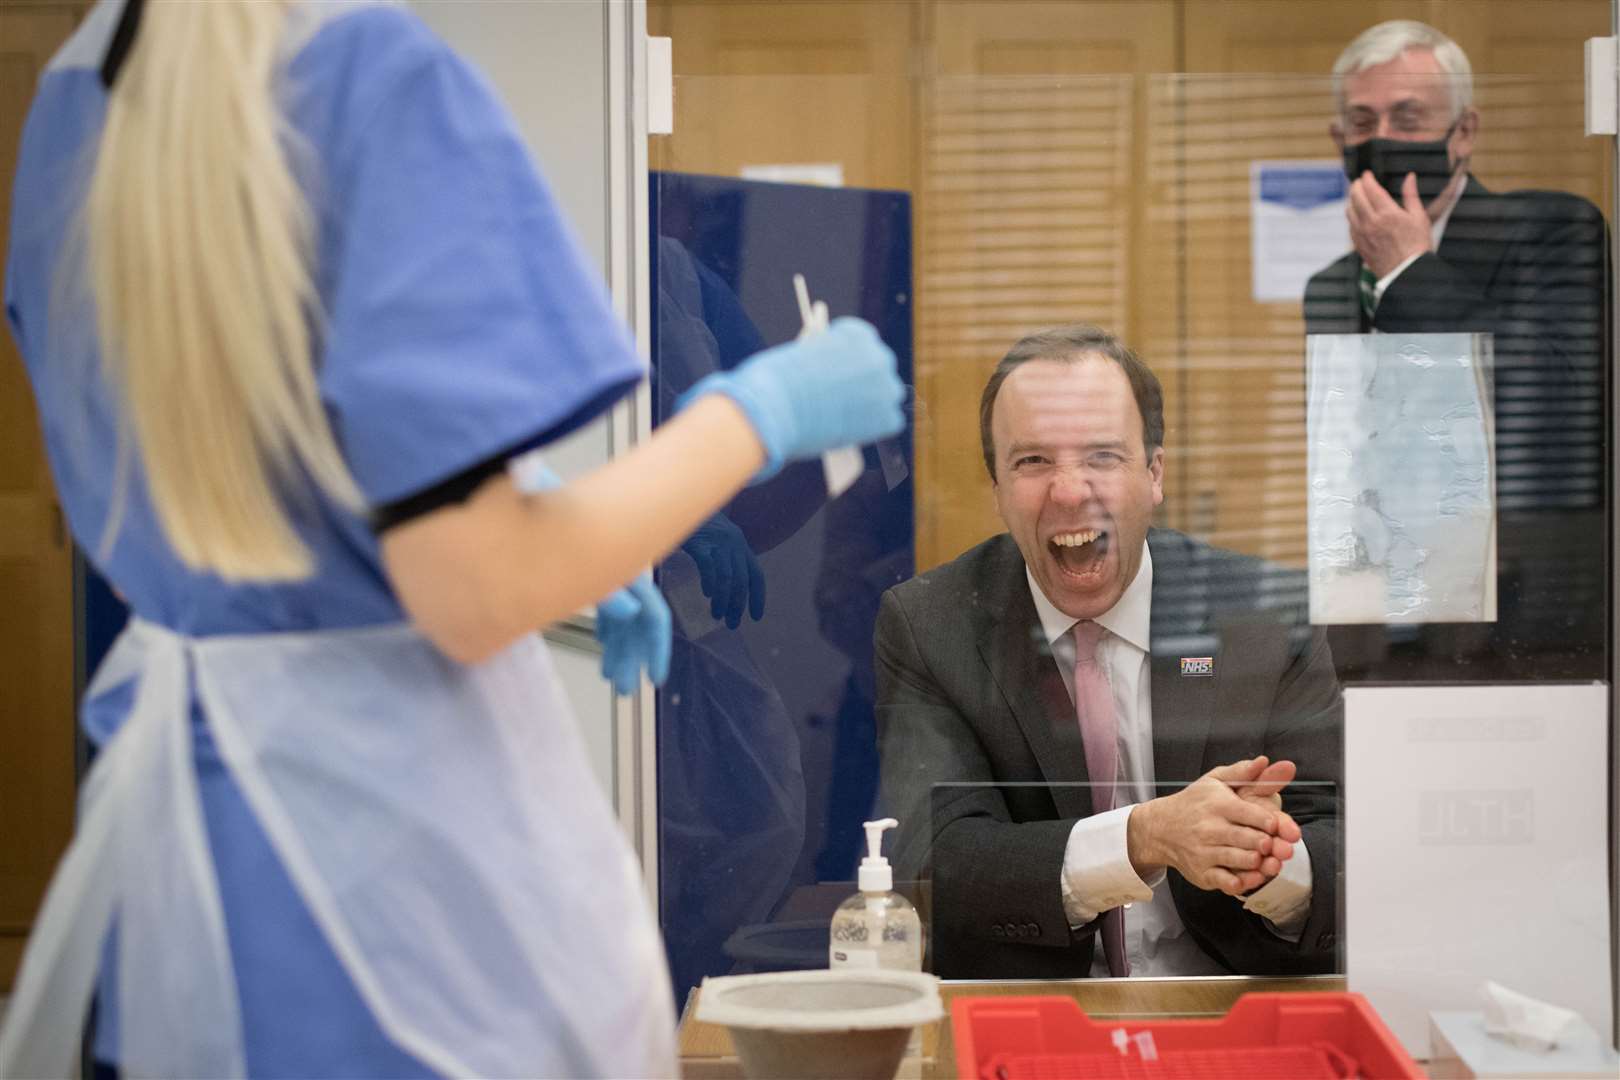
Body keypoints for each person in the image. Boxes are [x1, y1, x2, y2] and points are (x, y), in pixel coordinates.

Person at [0, 1, 904, 1077]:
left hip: (195, 836)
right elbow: (476, 589)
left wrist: (511, 498)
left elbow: (244, 449)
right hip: (387, 879)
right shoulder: (367, 73)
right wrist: (759, 413)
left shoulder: (77, 89)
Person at [874, 326, 1341, 980]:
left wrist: (1263, 860)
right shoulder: (932, 626)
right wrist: (1144, 837)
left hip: (1227, 1008)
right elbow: (935, 867)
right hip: (1036, 1021)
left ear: (1154, 474)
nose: (1070, 492)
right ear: (997, 492)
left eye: (1101, 456)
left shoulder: (1269, 616)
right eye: (1032, 461)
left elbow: (1349, 851)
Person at [1303, 19, 1609, 681]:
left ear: (1463, 132)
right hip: (1385, 615)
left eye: (1408, 119)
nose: (1381, 140)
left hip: (1535, 612)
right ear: (1338, 140)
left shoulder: (1552, 230)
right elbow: (1343, 448)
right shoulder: (1330, 286)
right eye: (1361, 122)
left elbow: (1550, 396)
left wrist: (1409, 273)